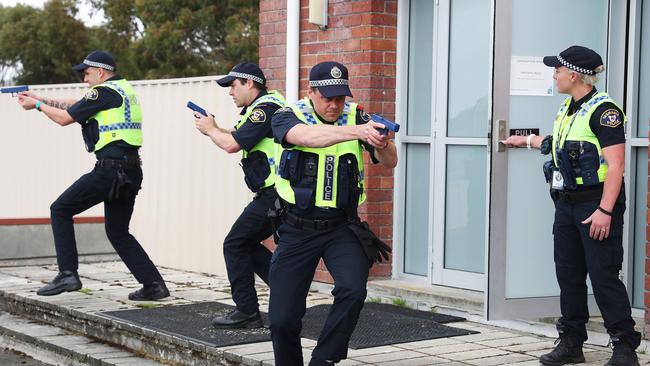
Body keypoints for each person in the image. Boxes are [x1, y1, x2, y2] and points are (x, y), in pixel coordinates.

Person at [502, 45, 640, 366]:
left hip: (596, 204)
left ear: (573, 75)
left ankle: (624, 347)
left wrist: (605, 211)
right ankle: (572, 342)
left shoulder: (605, 112)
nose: (554, 75)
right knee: (569, 275)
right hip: (566, 205)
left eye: (558, 70)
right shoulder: (568, 107)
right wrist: (524, 140)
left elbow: (616, 166)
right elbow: (559, 144)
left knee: (603, 276)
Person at [268, 61, 397, 366]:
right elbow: (308, 138)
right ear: (310, 91)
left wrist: (383, 143)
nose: (335, 105)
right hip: (297, 228)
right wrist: (359, 131)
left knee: (353, 290)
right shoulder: (287, 116)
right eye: (328, 98)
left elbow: (390, 161)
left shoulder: (356, 116)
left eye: (340, 98)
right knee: (282, 320)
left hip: (342, 227)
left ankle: (324, 360)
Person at [17, 51, 169, 301]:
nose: (84, 79)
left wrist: (37, 106)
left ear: (100, 72)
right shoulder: (120, 90)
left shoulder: (102, 92)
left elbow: (66, 118)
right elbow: (75, 105)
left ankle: (68, 274)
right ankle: (154, 285)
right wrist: (40, 97)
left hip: (110, 170)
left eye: (86, 74)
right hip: (131, 171)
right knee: (118, 231)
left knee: (60, 209)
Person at [193, 62, 287, 328]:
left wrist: (212, 130)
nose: (230, 92)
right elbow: (238, 135)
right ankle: (288, 293)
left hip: (275, 194)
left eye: (233, 86)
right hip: (276, 194)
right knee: (244, 243)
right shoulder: (263, 108)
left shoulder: (265, 110)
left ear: (250, 83)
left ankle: (246, 312)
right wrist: (213, 127)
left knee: (234, 243)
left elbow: (233, 145)